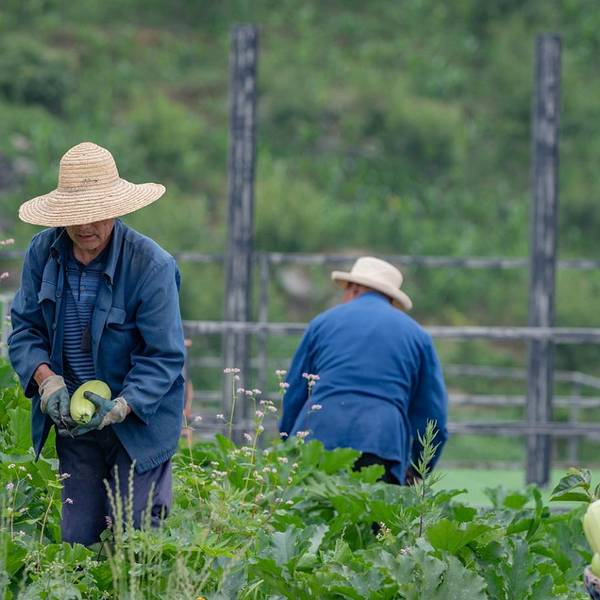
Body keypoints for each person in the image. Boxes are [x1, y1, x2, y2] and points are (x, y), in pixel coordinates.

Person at [8, 142, 186, 545]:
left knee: (136, 537)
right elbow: (24, 331)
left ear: (116, 209)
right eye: (75, 214)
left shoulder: (151, 265)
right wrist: (47, 381)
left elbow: (163, 357)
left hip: (139, 424)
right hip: (75, 423)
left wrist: (122, 405)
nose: (85, 224)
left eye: (95, 213)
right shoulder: (42, 253)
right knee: (77, 542)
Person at [279, 256, 448, 485]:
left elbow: (294, 394)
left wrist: (288, 447)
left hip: (320, 432)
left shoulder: (321, 324)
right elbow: (432, 415)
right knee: (373, 508)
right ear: (390, 299)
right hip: (382, 440)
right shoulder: (417, 336)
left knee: (315, 505)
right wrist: (419, 468)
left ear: (354, 289)